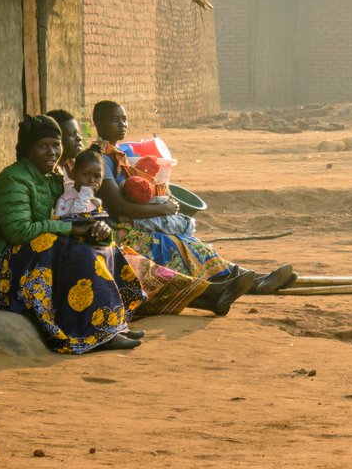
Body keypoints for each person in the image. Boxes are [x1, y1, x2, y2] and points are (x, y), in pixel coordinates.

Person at [0, 114, 143, 353]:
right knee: (76, 252)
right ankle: (96, 332)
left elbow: (72, 212)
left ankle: (112, 323)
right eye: (42, 146)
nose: (52, 152)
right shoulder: (13, 180)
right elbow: (19, 231)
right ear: (27, 150)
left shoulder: (52, 178)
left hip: (30, 250)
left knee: (101, 245)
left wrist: (97, 227)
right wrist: (72, 229)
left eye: (55, 145)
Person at [47, 108, 247, 316]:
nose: (79, 138)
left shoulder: (75, 166)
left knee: (159, 256)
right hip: (89, 239)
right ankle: (216, 291)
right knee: (148, 262)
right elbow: (89, 211)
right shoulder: (81, 167)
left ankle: (225, 285)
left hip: (97, 235)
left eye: (78, 133)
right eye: (71, 134)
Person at [88, 99, 296, 298]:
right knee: (175, 246)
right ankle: (248, 282)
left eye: (124, 119)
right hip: (115, 231)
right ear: (98, 123)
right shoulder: (99, 158)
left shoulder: (115, 154)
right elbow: (118, 205)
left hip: (130, 224)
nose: (122, 124)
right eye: (115, 120)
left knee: (188, 242)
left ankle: (253, 278)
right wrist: (164, 210)